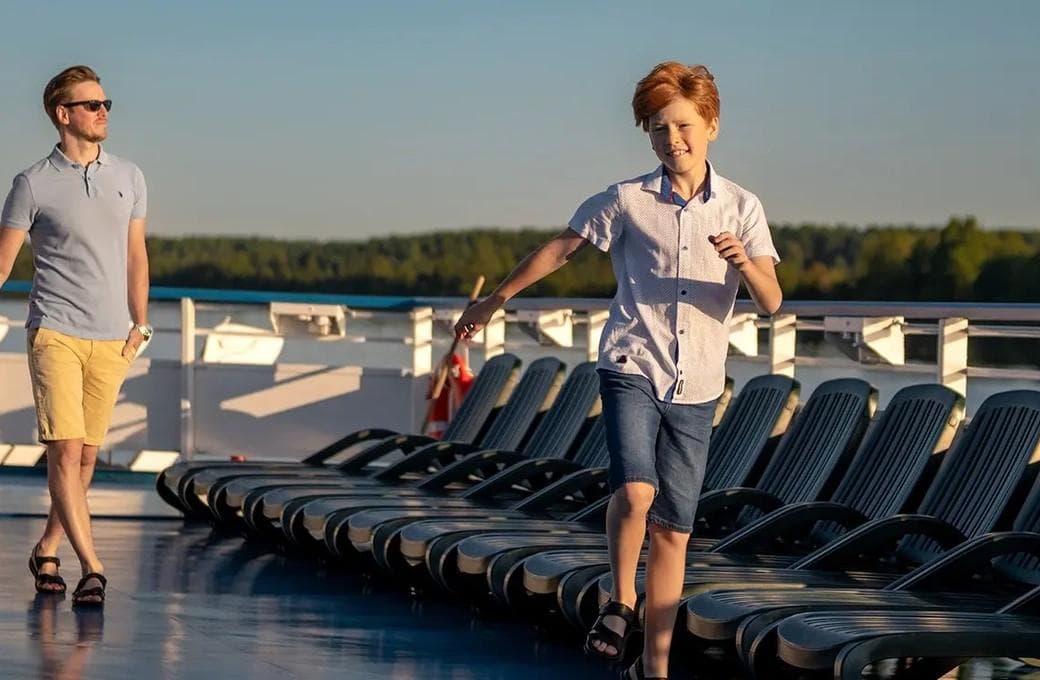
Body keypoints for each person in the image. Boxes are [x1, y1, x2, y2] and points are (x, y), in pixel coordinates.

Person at [454, 62, 781, 679]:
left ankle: (652, 668)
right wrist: (495, 299)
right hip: (632, 360)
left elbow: (772, 301)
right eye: (657, 130)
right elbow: (561, 248)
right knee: (636, 491)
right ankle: (620, 599)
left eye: (682, 125)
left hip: (699, 382)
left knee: (674, 533)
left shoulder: (743, 206)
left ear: (712, 125)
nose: (671, 140)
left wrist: (747, 263)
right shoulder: (627, 200)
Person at [0, 65, 152, 607]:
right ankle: (93, 566)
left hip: (113, 339)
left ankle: (46, 548)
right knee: (64, 452)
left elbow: (136, 256)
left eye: (107, 102)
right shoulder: (33, 183)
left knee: (86, 458)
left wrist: (140, 325)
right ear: (63, 115)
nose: (104, 111)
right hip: (56, 332)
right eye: (92, 105)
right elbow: (3, 264)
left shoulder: (129, 176)